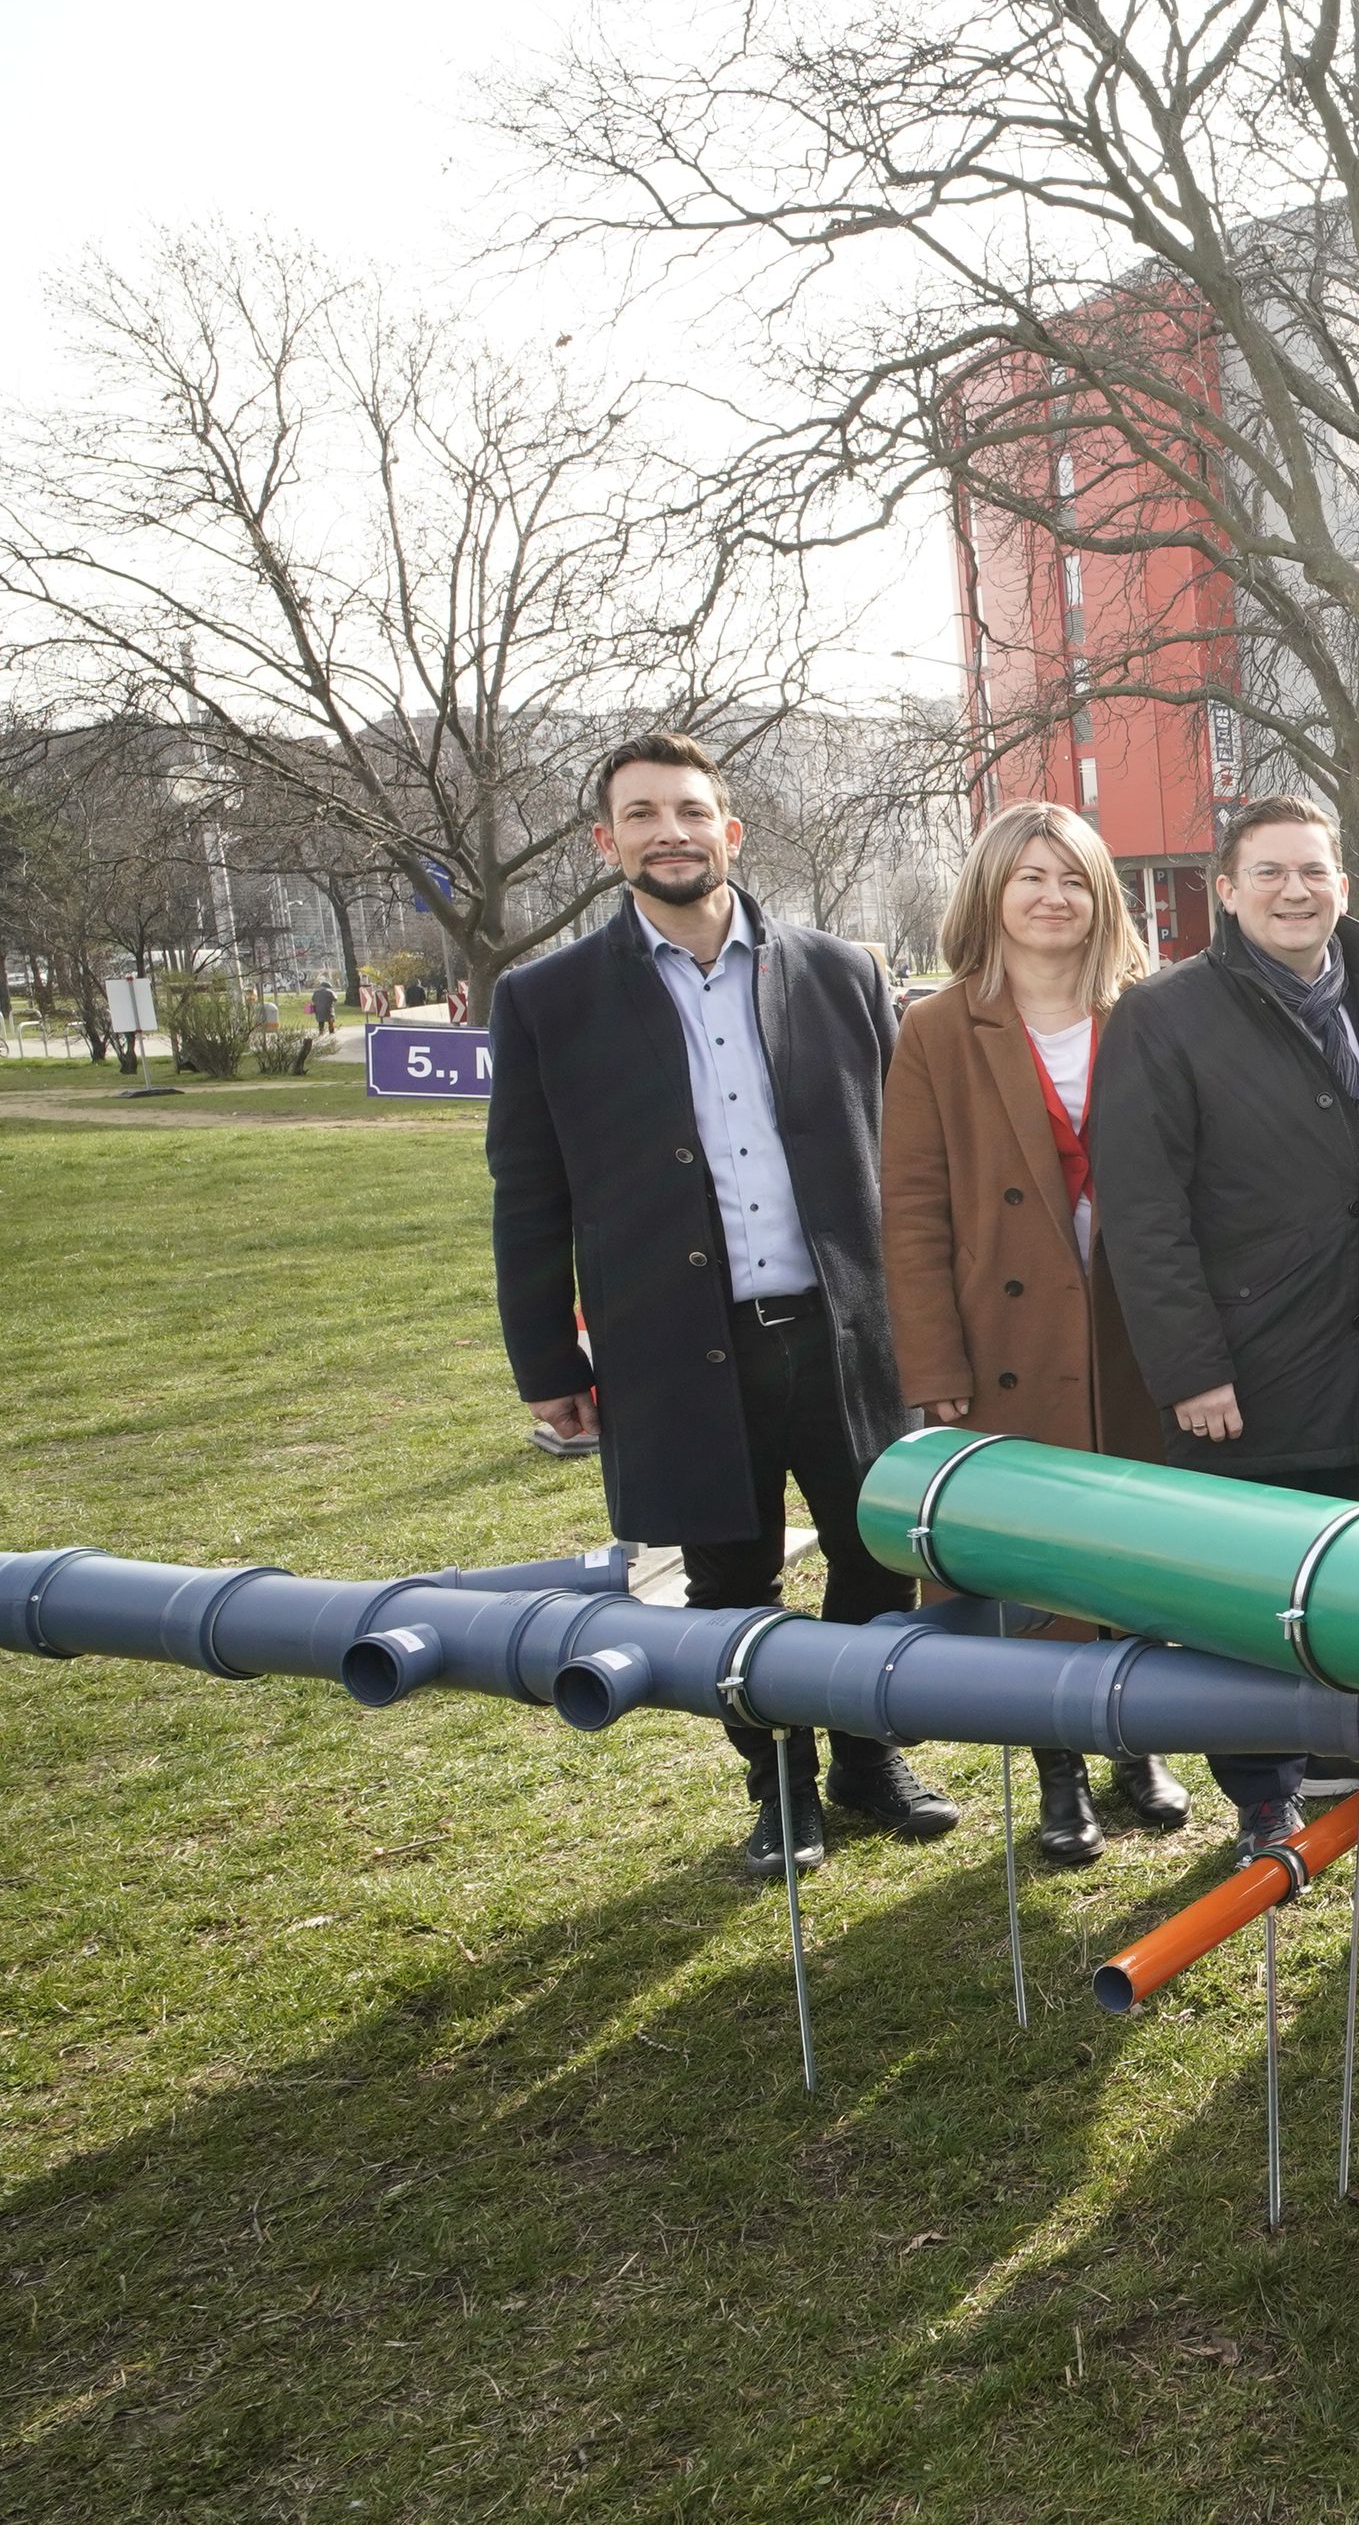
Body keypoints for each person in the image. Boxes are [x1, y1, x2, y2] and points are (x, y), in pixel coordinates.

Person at [488, 732, 956, 1879]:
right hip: (677, 1348)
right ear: (606, 844)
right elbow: (528, 1197)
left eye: (691, 811)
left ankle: (866, 1755)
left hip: (848, 1336)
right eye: (642, 815)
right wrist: (547, 1365)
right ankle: (777, 1784)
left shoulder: (840, 973)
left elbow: (912, 1166)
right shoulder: (548, 1000)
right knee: (729, 1581)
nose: (671, 833)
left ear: (730, 832)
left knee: (876, 1555)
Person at [1088, 794, 1359, 1857]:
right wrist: (1190, 1368)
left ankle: (1338, 1741)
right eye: (1269, 872)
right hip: (1241, 1365)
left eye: (1314, 871)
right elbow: (1142, 1212)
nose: (1294, 891)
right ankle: (1261, 1792)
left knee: (1343, 1565)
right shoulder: (1163, 1014)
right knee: (1244, 1594)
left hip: (1358, 1349)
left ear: (1343, 886)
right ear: (1226, 891)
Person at [879, 801, 1192, 1866]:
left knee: (1140, 1541)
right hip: (1003, 1336)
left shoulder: (1151, 1012)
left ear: (1102, 895)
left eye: (1072, 878)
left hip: (1131, 1329)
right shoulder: (937, 1028)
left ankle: (1139, 1740)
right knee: (1036, 1554)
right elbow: (911, 1210)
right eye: (1030, 877)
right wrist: (933, 1362)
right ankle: (1059, 1765)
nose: (1053, 897)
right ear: (992, 893)